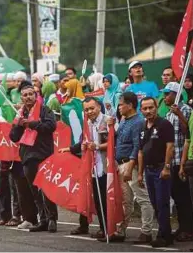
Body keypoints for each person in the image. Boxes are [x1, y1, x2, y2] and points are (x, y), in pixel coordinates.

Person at [105, 92, 154, 243]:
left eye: (120, 104)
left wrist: (130, 165)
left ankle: (146, 232)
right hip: (121, 163)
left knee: (142, 198)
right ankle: (121, 230)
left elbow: (137, 146)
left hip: (131, 165)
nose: (118, 107)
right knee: (125, 200)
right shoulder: (125, 119)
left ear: (130, 105)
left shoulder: (138, 122)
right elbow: (117, 141)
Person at [10, 80, 58, 232]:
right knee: (35, 190)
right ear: (22, 98)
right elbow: (13, 137)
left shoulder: (45, 110)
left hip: (43, 154)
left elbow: (51, 126)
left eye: (31, 94)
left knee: (47, 189)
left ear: (36, 96)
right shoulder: (20, 114)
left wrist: (31, 124)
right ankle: (42, 219)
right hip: (28, 157)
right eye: (25, 95)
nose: (28, 97)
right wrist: (19, 124)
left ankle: (52, 219)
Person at [64, 97, 109, 239]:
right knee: (98, 198)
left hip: (108, 166)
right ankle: (103, 228)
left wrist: (97, 147)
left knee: (107, 199)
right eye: (87, 109)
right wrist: (74, 148)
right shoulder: (88, 123)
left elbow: (114, 142)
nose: (89, 112)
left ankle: (111, 228)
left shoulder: (108, 121)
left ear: (99, 107)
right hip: (94, 167)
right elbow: (85, 142)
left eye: (92, 108)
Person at [137, 97, 175, 247]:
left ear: (156, 108)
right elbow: (140, 152)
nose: (148, 111)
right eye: (145, 108)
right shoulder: (142, 126)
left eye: (150, 108)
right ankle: (166, 233)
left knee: (162, 202)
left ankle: (163, 236)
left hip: (161, 169)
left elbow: (170, 147)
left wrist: (166, 167)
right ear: (141, 110)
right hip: (148, 170)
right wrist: (140, 173)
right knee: (154, 203)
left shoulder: (164, 124)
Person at [161, 82, 193, 242]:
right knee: (176, 196)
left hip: (182, 159)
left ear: (176, 94)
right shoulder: (167, 114)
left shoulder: (186, 109)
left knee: (184, 197)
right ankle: (182, 227)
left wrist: (180, 114)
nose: (165, 97)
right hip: (171, 160)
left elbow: (189, 132)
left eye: (167, 94)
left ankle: (188, 229)